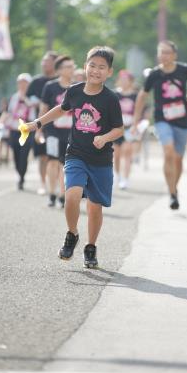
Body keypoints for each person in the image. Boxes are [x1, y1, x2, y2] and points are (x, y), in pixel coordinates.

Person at [24, 46, 123, 268]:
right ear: (85, 66)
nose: (96, 71)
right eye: (92, 65)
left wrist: (105, 137)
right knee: (71, 196)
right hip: (75, 154)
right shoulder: (75, 91)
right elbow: (61, 109)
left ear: (109, 72)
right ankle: (72, 233)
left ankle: (91, 247)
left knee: (95, 207)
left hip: (101, 159)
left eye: (101, 67)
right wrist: (37, 123)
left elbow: (119, 129)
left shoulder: (110, 99)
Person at [132, 40, 187, 210]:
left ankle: (173, 188)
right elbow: (142, 97)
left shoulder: (183, 69)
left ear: (174, 55)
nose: (163, 56)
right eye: (160, 52)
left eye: (166, 52)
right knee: (169, 151)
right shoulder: (154, 74)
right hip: (162, 119)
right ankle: (172, 194)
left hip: (182, 120)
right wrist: (136, 121)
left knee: (178, 159)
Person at [41, 55, 74, 208]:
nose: (71, 69)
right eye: (68, 66)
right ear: (59, 69)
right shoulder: (50, 87)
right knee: (53, 161)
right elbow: (44, 108)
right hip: (52, 130)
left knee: (65, 164)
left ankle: (62, 195)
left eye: (72, 66)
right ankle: (52, 193)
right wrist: (38, 130)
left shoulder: (77, 87)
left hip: (71, 133)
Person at [26, 51, 59, 195]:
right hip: (39, 123)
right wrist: (37, 103)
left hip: (58, 124)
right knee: (42, 155)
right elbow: (26, 99)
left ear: (55, 63)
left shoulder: (60, 81)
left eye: (48, 61)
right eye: (43, 61)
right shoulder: (36, 81)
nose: (44, 63)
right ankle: (42, 183)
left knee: (58, 156)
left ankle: (56, 183)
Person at [7, 73, 35, 190]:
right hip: (15, 129)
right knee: (16, 154)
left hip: (27, 130)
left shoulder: (33, 97)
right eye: (20, 82)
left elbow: (32, 108)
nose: (22, 85)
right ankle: (20, 173)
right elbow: (10, 113)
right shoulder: (14, 97)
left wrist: (24, 98)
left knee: (24, 155)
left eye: (25, 83)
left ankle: (22, 177)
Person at [113, 69, 138, 189]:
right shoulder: (115, 94)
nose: (123, 82)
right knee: (116, 154)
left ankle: (125, 179)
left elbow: (140, 112)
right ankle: (117, 175)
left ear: (131, 82)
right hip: (116, 128)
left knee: (127, 152)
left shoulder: (135, 96)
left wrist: (136, 125)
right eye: (121, 79)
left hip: (129, 128)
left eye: (126, 80)